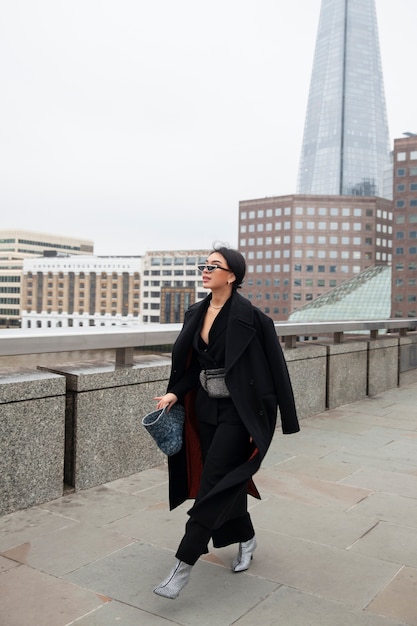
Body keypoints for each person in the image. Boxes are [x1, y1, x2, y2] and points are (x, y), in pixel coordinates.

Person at [153, 244, 299, 599]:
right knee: (219, 482)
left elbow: (278, 370)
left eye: (213, 266)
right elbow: (193, 366)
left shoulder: (255, 319)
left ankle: (183, 565)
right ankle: (246, 538)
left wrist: (288, 419)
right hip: (204, 409)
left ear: (232, 275)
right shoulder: (195, 312)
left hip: (239, 414)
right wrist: (175, 392)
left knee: (212, 485)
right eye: (203, 265)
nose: (205, 270)